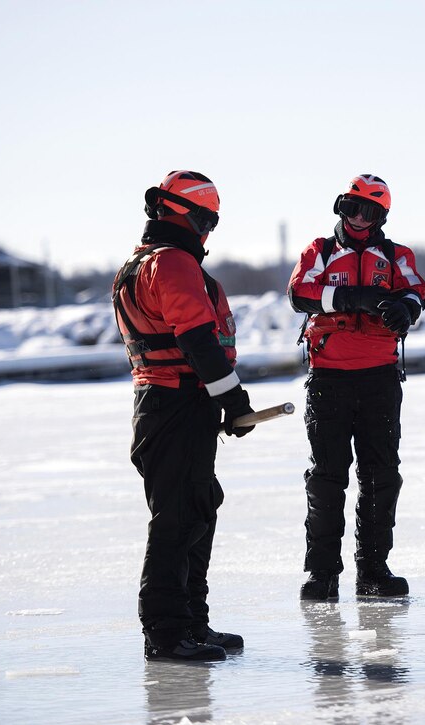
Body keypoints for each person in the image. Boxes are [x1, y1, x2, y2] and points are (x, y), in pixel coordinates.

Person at [112, 170, 256, 662]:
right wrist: (234, 402)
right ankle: (167, 633)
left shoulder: (143, 262)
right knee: (175, 518)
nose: (209, 233)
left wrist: (219, 400)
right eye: (208, 220)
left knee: (197, 508)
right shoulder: (172, 264)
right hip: (174, 405)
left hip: (175, 405)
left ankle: (192, 621)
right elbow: (197, 341)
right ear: (193, 218)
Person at [288, 174, 425, 601]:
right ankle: (322, 573)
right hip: (329, 378)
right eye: (352, 207)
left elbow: (417, 291)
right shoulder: (321, 251)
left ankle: (373, 571)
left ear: (382, 216)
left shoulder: (396, 255)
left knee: (381, 475)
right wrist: (352, 299)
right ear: (340, 207)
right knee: (328, 477)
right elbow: (299, 292)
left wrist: (405, 309)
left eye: (369, 211)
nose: (359, 218)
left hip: (379, 379)